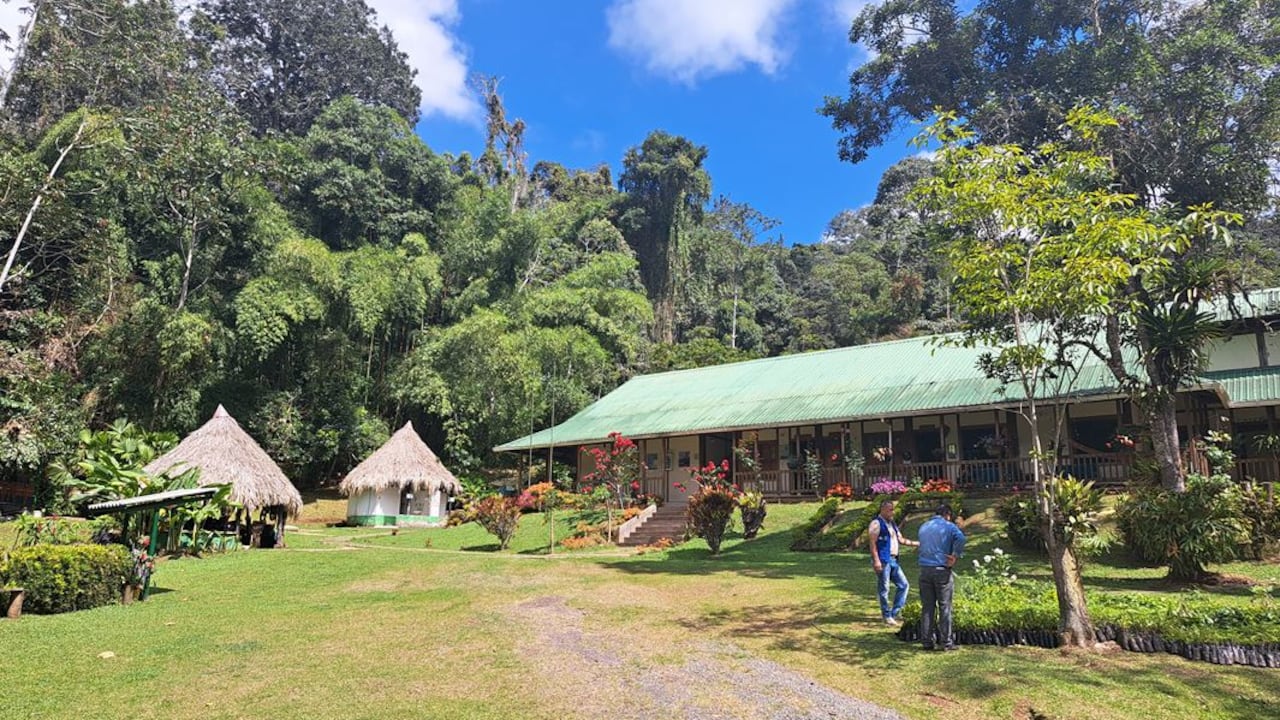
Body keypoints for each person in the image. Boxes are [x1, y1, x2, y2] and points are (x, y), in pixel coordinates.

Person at [916, 503, 967, 650]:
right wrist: (955, 556)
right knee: (945, 606)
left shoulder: (924, 526)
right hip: (941, 570)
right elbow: (961, 539)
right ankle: (946, 642)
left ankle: (926, 641)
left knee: (927, 607)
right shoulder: (949, 526)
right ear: (948, 515)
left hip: (924, 569)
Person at [868, 499, 917, 626]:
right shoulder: (876, 523)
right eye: (890, 510)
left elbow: (900, 539)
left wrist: (917, 543)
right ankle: (886, 615)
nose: (893, 512)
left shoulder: (892, 524)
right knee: (884, 588)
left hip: (894, 560)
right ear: (883, 510)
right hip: (884, 560)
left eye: (893, 509)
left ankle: (895, 612)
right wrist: (876, 560)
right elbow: (872, 543)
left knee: (904, 585)